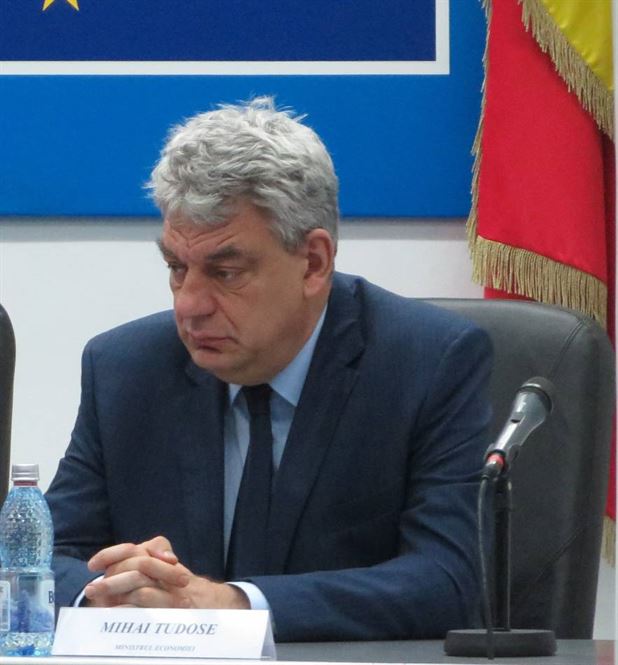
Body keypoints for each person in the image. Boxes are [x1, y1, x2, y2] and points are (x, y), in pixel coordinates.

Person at [46, 97, 493, 642]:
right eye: (177, 267)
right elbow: (35, 559)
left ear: (313, 263)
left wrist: (232, 605)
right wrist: (116, 594)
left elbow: (447, 580)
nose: (189, 304)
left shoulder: (427, 363)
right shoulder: (126, 369)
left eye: (226, 272)